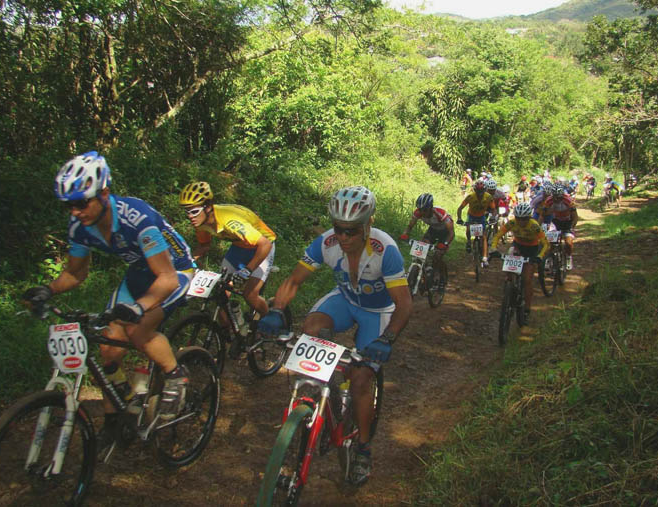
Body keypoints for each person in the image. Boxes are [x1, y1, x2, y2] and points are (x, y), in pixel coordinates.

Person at [22, 151, 197, 447]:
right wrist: (48, 290)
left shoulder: (136, 219)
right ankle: (117, 416)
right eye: (68, 205)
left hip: (176, 271)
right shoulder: (80, 226)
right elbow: (75, 274)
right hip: (140, 273)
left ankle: (176, 375)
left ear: (104, 193)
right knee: (107, 346)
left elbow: (166, 278)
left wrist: (139, 307)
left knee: (137, 329)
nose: (74, 212)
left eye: (80, 203)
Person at [258, 186, 412, 486]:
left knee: (361, 377)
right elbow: (293, 280)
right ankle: (323, 394)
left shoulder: (385, 251)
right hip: (344, 300)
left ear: (367, 226)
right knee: (312, 328)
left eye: (351, 231)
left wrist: (388, 338)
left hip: (377, 311)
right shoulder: (326, 243)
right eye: (338, 229)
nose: (343, 238)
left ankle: (364, 449)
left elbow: (405, 304)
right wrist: (277, 309)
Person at [178, 181, 276, 317]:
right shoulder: (200, 222)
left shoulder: (231, 221)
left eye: (194, 211)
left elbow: (265, 245)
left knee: (250, 294)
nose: (190, 216)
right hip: (239, 246)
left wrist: (247, 270)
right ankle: (228, 331)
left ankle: (268, 321)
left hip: (263, 246)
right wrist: (185, 263)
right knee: (221, 293)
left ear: (208, 208)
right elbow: (204, 246)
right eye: (187, 211)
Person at [490, 202, 549, 323]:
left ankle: (527, 308)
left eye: (524, 219)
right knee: (510, 260)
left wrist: (539, 256)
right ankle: (509, 286)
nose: (521, 222)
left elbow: (545, 244)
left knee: (527, 280)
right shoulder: (512, 223)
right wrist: (493, 248)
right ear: (515, 217)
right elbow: (498, 235)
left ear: (529, 218)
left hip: (532, 250)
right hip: (518, 246)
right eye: (519, 218)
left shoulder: (534, 226)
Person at [399, 193, 455, 289]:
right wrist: (405, 234)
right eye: (420, 209)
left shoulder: (439, 213)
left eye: (424, 210)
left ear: (430, 207)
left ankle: (442, 278)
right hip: (433, 230)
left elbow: (451, 232)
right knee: (420, 250)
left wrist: (444, 244)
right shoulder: (418, 212)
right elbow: (409, 226)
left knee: (438, 255)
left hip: (445, 232)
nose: (422, 212)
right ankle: (424, 270)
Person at [538, 184, 578, 270]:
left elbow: (575, 217)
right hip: (556, 222)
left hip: (568, 222)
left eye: (559, 197)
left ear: (562, 196)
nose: (556, 199)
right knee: (550, 242)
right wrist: (538, 226)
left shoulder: (568, 200)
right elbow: (542, 215)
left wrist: (572, 227)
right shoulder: (549, 201)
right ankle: (549, 258)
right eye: (555, 197)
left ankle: (568, 257)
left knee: (568, 242)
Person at [456, 178, 495, 267]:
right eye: (478, 191)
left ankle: (485, 258)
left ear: (485, 190)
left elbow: (493, 209)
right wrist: (459, 218)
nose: (480, 193)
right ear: (475, 190)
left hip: (481, 217)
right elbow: (460, 208)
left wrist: (492, 217)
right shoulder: (470, 197)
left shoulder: (488, 197)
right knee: (468, 229)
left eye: (482, 191)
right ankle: (469, 241)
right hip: (472, 216)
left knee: (484, 236)